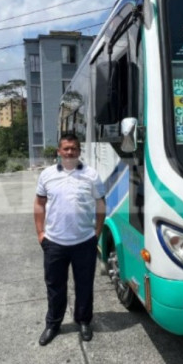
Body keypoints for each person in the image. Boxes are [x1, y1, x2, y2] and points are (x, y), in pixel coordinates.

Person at [33, 133, 106, 346]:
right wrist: (40, 233)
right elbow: (39, 204)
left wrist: (97, 232)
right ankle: (53, 324)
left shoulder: (91, 175)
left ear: (79, 151)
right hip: (54, 242)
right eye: (65, 148)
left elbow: (100, 204)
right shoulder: (47, 175)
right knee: (55, 286)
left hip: (84, 241)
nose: (69, 152)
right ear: (59, 151)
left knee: (84, 285)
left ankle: (83, 321)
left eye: (73, 148)